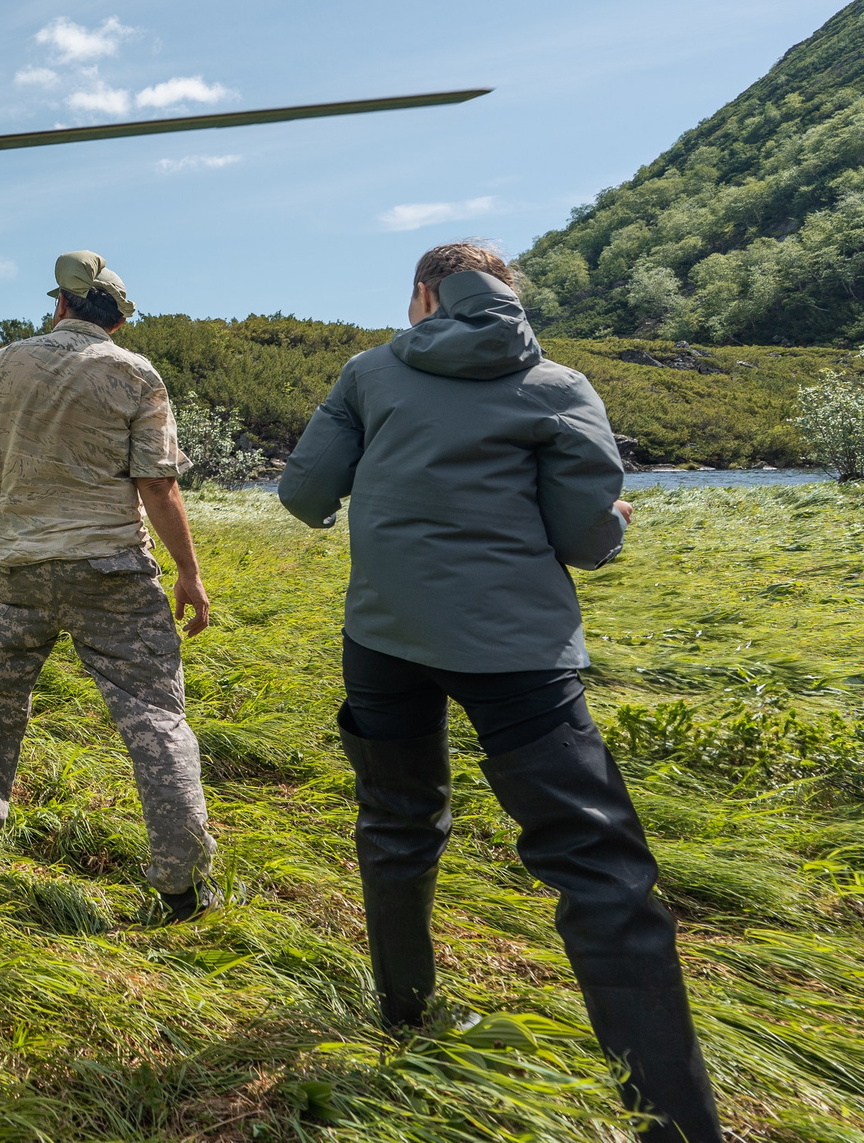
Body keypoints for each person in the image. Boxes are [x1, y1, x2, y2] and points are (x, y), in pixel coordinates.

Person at [277, 243, 721, 1143]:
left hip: (384, 642)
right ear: (508, 295)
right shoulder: (559, 386)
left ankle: (405, 1009)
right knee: (599, 871)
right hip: (519, 657)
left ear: (422, 296)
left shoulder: (369, 374)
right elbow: (587, 539)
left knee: (397, 820)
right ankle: (675, 1122)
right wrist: (619, 524)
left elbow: (303, 491)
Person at [0, 250, 220, 922]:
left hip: (16, 565)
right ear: (115, 320)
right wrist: (189, 571)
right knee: (154, 714)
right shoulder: (136, 374)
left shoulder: (6, 363)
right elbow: (157, 484)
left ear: (60, 303)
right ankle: (181, 879)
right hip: (111, 565)